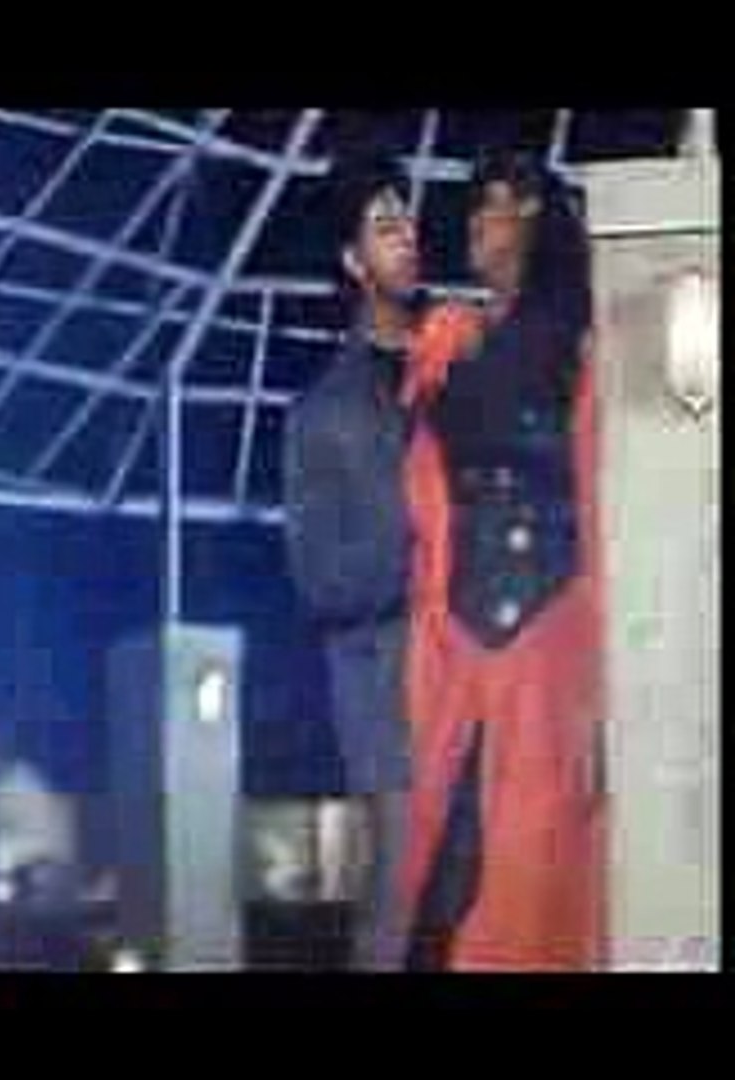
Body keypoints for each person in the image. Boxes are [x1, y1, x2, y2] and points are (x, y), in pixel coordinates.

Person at [398, 151, 606, 971]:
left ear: (535, 219)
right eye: (479, 206)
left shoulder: (570, 340)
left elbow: (586, 478)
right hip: (461, 630)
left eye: (500, 205)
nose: (480, 224)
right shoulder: (467, 335)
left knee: (521, 860)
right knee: (447, 871)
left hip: (541, 634)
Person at [282, 155, 426, 971]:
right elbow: (318, 575)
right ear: (351, 261)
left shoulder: (463, 361)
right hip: (383, 677)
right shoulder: (320, 412)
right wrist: (424, 549)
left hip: (479, 657)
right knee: (396, 889)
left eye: (407, 220)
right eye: (384, 226)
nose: (406, 236)